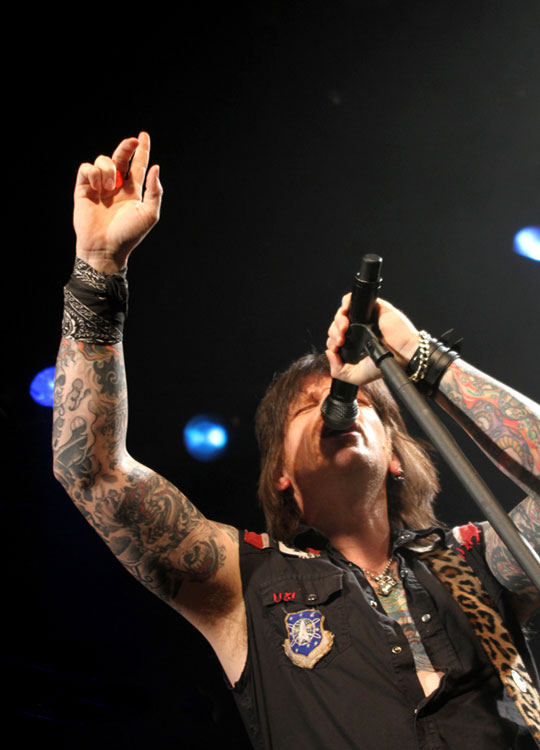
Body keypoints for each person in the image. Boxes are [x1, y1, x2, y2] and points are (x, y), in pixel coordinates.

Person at [53, 133, 540, 749]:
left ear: (394, 455)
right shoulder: (246, 583)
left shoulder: (477, 561)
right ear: (281, 471)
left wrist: (424, 358)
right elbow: (92, 471)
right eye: (307, 408)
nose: (338, 407)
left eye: (363, 401)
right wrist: (98, 268)